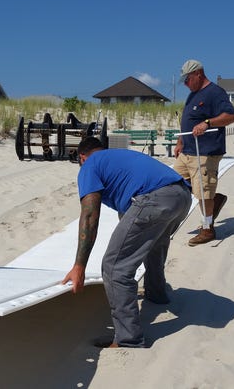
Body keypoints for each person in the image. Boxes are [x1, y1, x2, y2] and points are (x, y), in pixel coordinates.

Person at [62, 137, 192, 348]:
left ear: (82, 157)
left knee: (114, 266)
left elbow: (89, 216)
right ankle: (156, 294)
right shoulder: (117, 158)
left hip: (155, 198)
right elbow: (130, 210)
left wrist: (79, 265)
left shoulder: (89, 166)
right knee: (154, 247)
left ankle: (128, 338)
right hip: (182, 195)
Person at [174, 59, 234, 246]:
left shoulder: (215, 93)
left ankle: (208, 229)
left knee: (204, 192)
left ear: (198, 74)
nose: (185, 84)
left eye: (187, 79)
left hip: (205, 152)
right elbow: (188, 119)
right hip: (187, 151)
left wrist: (207, 123)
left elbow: (231, 116)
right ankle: (215, 202)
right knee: (172, 182)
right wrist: (180, 142)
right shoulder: (192, 94)